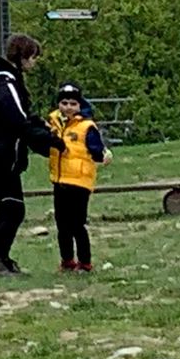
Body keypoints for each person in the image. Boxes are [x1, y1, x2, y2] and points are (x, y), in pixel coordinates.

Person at [0, 32, 63, 278]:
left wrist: (40, 127)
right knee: (12, 208)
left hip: (1, 153)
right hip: (1, 154)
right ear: (22, 57)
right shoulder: (7, 85)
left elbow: (24, 117)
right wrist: (50, 143)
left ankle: (2, 258)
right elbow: (19, 122)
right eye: (33, 57)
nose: (34, 63)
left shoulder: (6, 81)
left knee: (11, 207)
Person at [46, 84, 110, 273]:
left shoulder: (86, 126)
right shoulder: (53, 123)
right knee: (62, 224)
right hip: (59, 180)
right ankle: (67, 260)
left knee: (77, 224)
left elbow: (96, 149)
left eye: (73, 103)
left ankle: (85, 262)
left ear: (80, 105)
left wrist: (103, 154)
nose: (68, 107)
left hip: (79, 182)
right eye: (64, 103)